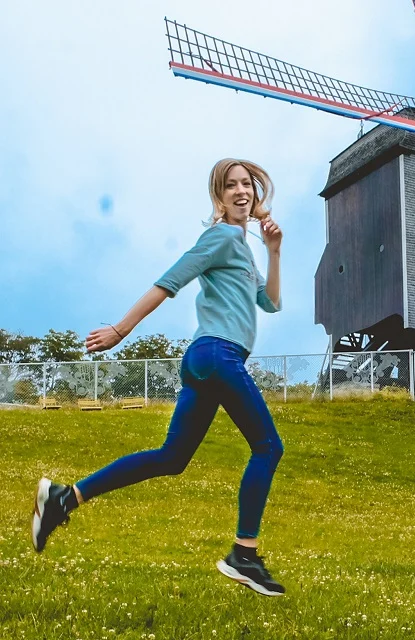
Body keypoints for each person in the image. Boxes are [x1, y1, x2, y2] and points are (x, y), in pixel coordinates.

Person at [32, 158, 287, 597]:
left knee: (171, 458)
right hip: (219, 353)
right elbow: (169, 282)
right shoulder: (220, 237)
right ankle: (244, 554)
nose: (241, 191)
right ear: (219, 196)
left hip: (207, 360)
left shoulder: (242, 249)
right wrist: (120, 329)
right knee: (268, 447)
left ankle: (63, 499)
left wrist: (274, 250)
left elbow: (271, 303)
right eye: (231, 186)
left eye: (247, 185)